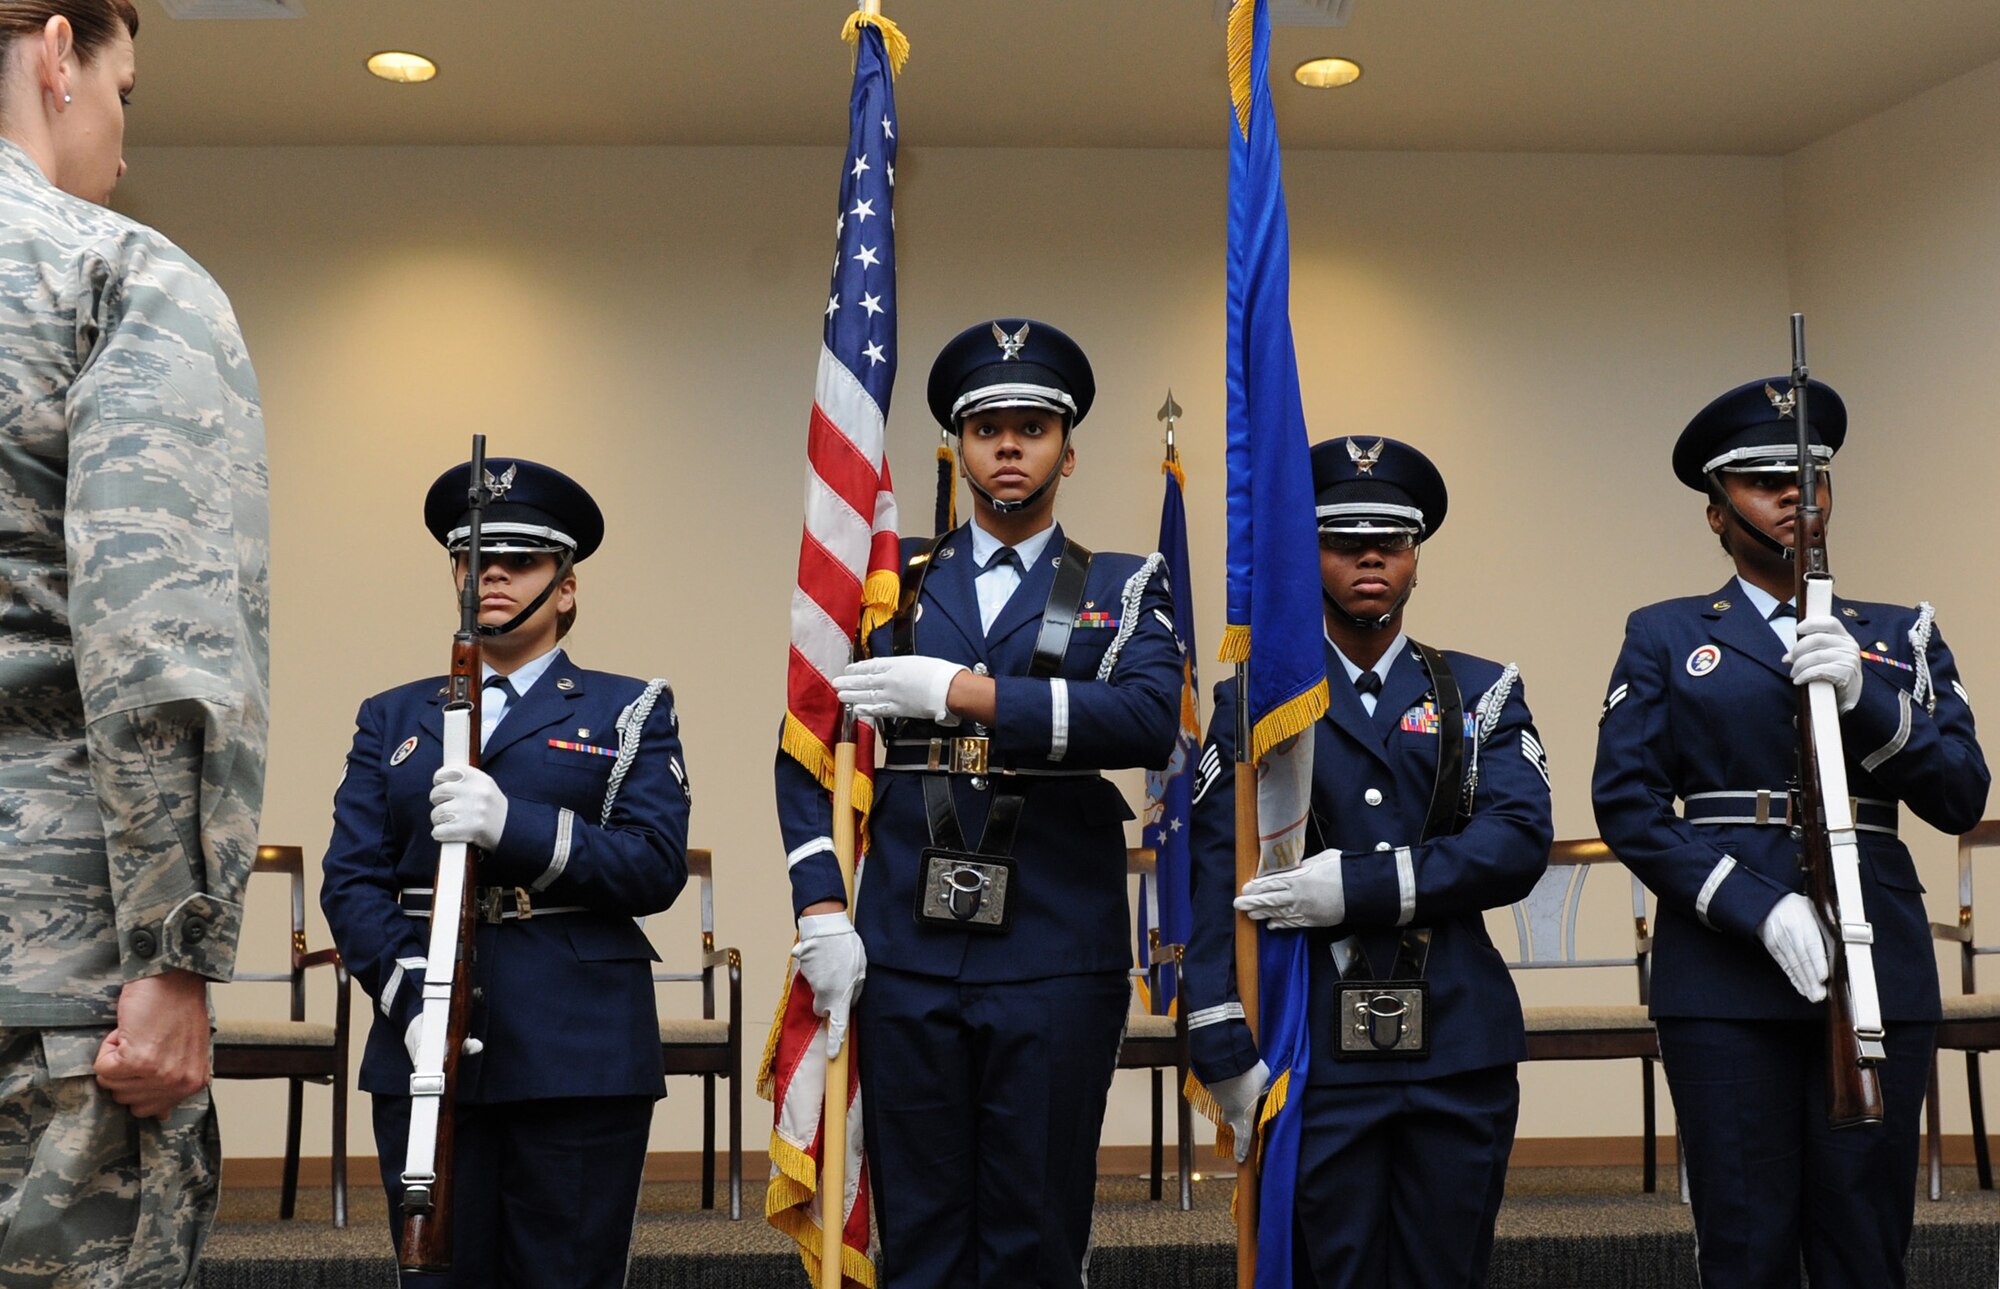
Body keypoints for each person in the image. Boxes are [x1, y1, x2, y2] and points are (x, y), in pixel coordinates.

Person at [775, 318, 1184, 1287]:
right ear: (956, 449)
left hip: (1051, 944)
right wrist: (823, 905)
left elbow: (1145, 718)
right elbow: (803, 750)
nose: (1008, 445)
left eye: (1031, 427)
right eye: (987, 427)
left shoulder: (1124, 585)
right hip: (907, 945)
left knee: (1032, 1228)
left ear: (1067, 450)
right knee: (919, 1228)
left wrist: (961, 694)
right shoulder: (883, 582)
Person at [1591, 378, 1988, 1287]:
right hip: (1724, 976)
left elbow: (1962, 794)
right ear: (1716, 513)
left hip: (1875, 963)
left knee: (1865, 1239)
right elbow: (1629, 803)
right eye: (1767, 481)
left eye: (1811, 479)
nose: (1796, 498)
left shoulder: (1898, 635)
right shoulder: (1665, 634)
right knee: (1744, 1242)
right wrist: (1757, 907)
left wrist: (1870, 696)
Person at [0, 2, 271, 1283]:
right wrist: (174, 949)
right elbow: (154, 641)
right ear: (60, 54)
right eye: (126, 89)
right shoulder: (107, 272)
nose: (118, 134)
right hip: (46, 973)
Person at [1182, 437, 1552, 1288]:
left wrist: (1356, 887)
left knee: (1445, 1272)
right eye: (1345, 540)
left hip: (1457, 1043)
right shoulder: (1258, 701)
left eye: (1391, 539)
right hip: (1313, 1045)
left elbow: (1516, 839)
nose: (1371, 556)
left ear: (1417, 556)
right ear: (1308, 554)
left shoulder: (1480, 690)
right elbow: (1210, 869)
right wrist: (1215, 1028)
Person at [320, 459, 691, 1287]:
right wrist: (414, 1000)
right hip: (425, 1049)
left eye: (518, 558)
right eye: (471, 557)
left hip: (577, 1048)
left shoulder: (627, 708)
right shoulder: (393, 716)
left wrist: (514, 827)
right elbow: (351, 879)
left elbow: (654, 864)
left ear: (564, 587)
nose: (489, 572)